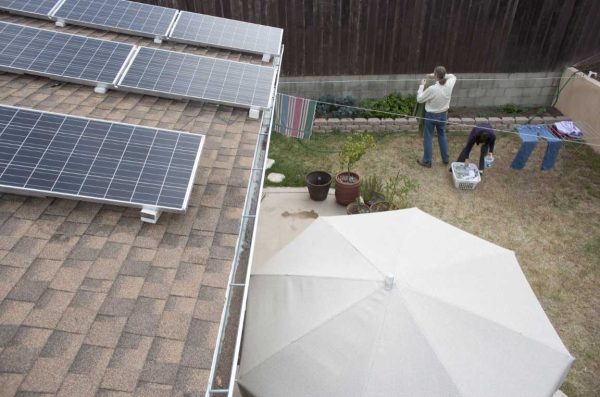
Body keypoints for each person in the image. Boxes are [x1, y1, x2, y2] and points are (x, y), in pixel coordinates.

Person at [415, 66, 456, 168]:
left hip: (431, 116)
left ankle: (427, 161)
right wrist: (437, 75)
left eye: (435, 74)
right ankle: (445, 159)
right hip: (443, 115)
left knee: (428, 137)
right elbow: (453, 76)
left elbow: (419, 99)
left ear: (436, 75)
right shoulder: (450, 84)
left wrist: (421, 86)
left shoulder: (432, 89)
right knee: (442, 135)